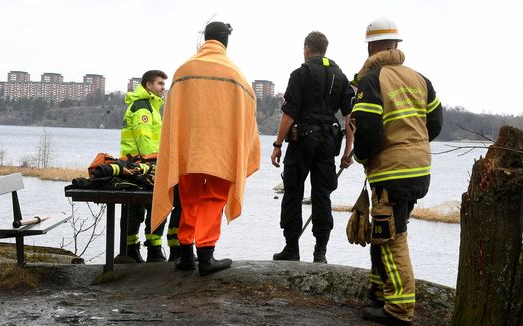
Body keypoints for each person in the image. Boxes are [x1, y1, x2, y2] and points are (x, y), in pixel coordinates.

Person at [350, 17, 443, 325]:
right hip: (419, 169)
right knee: (386, 230)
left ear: (371, 46)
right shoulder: (420, 79)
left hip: (391, 173)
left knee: (392, 237)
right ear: (396, 45)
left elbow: (367, 128)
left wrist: (363, 156)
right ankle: (379, 292)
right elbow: (436, 125)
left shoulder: (372, 80)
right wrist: (412, 146)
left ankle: (399, 310)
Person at [150, 21, 261, 276]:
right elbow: (248, 116)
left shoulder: (183, 71)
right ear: (225, 41)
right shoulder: (236, 75)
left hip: (188, 150)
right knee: (213, 199)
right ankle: (207, 254)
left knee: (188, 199)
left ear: (205, 39)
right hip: (221, 152)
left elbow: (172, 118)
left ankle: (186, 254)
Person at [271, 31, 354, 263]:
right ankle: (320, 252)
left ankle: (291, 248)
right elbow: (350, 118)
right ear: (325, 49)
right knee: (322, 195)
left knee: (293, 192)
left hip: (302, 140)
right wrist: (348, 152)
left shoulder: (300, 74)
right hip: (328, 141)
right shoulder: (341, 77)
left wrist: (277, 145)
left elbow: (289, 115)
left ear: (307, 48)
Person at [119, 69, 181, 263]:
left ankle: (138, 249)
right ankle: (148, 250)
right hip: (140, 164)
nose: (163, 88)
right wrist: (155, 162)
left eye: (164, 84)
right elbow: (143, 138)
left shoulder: (150, 106)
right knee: (153, 204)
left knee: (140, 208)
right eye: (160, 84)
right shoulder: (142, 107)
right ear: (148, 85)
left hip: (140, 163)